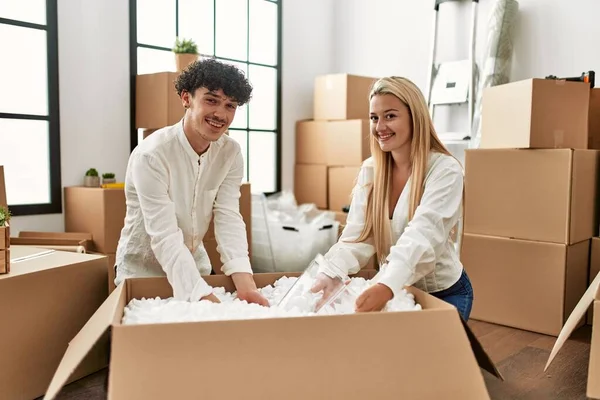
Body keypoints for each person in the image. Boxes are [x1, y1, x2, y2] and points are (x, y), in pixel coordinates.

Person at [311, 76, 474, 320]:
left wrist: (386, 285)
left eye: (390, 116)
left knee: (427, 359)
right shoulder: (371, 169)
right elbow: (358, 236)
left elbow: (423, 234)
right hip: (395, 291)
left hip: (443, 293)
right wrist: (331, 271)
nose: (379, 127)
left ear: (414, 117)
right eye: (374, 118)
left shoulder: (445, 170)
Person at [114, 58, 268, 306]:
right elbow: (164, 235)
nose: (221, 114)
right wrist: (200, 295)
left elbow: (228, 216)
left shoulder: (230, 152)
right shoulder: (152, 155)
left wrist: (246, 284)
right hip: (143, 273)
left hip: (196, 268)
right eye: (211, 100)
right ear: (186, 98)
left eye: (230, 105)